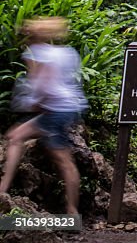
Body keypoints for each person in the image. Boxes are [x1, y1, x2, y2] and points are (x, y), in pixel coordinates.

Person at [0, 17, 87, 215]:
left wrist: (31, 103)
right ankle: (2, 191)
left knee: (64, 161)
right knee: (16, 136)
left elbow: (42, 87)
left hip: (55, 111)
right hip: (69, 108)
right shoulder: (67, 52)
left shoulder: (37, 53)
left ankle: (72, 212)